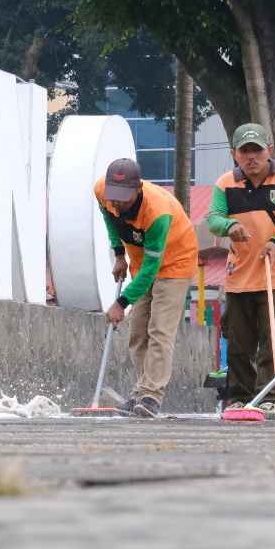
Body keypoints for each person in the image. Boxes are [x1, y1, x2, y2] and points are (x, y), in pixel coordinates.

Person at [207, 123, 275, 415]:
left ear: (270, 150)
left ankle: (272, 397)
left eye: (257, 150)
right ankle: (239, 397)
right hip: (239, 275)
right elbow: (213, 217)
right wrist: (230, 225)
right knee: (239, 343)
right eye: (245, 151)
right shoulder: (225, 183)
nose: (251, 157)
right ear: (234, 154)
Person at [94, 158, 200, 418]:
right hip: (141, 262)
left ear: (138, 188)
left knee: (160, 330)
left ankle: (152, 396)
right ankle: (142, 391)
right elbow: (110, 219)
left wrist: (121, 303)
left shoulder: (157, 212)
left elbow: (153, 269)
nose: (117, 204)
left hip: (175, 262)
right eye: (113, 196)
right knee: (138, 331)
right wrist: (119, 253)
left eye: (124, 198)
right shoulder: (101, 191)